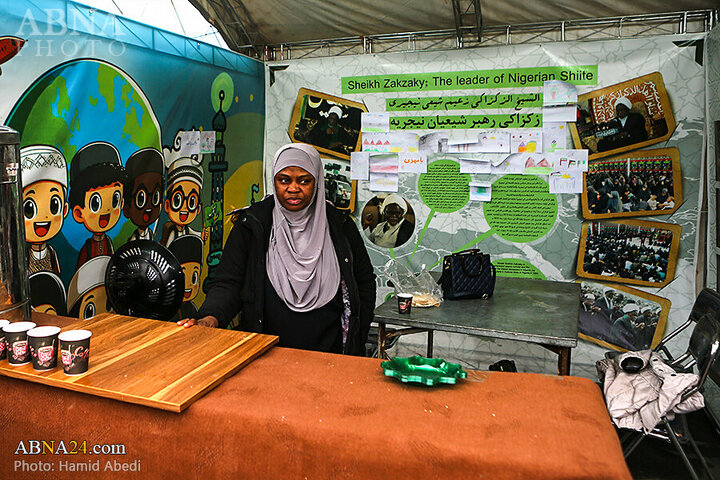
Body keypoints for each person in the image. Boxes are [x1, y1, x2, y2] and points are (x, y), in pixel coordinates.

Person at [178, 143, 376, 356]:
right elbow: (228, 282)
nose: (293, 188)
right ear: (274, 180)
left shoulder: (340, 226)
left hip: (330, 353)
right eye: (284, 180)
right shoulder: (252, 225)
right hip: (266, 352)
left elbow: (363, 282)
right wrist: (210, 318)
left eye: (304, 181)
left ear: (317, 182)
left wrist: (357, 332)